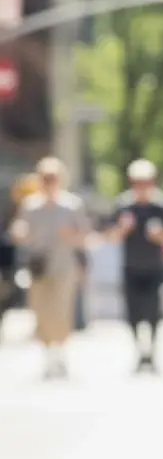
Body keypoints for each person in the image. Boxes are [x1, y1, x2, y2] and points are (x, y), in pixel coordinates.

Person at [9, 157, 88, 378]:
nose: (48, 182)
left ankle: (60, 354)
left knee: (62, 310)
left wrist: (71, 236)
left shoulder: (72, 205)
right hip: (38, 267)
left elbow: (84, 236)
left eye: (52, 178)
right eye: (45, 178)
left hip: (64, 266)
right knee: (40, 311)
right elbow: (20, 230)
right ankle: (47, 356)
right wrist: (20, 232)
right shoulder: (30, 205)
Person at [107, 159, 163, 373]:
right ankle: (139, 351)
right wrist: (123, 229)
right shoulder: (123, 205)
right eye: (138, 181)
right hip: (130, 267)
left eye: (146, 181)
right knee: (132, 314)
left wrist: (160, 236)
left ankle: (152, 354)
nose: (142, 185)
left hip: (156, 268)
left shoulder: (162, 205)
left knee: (154, 313)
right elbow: (110, 236)